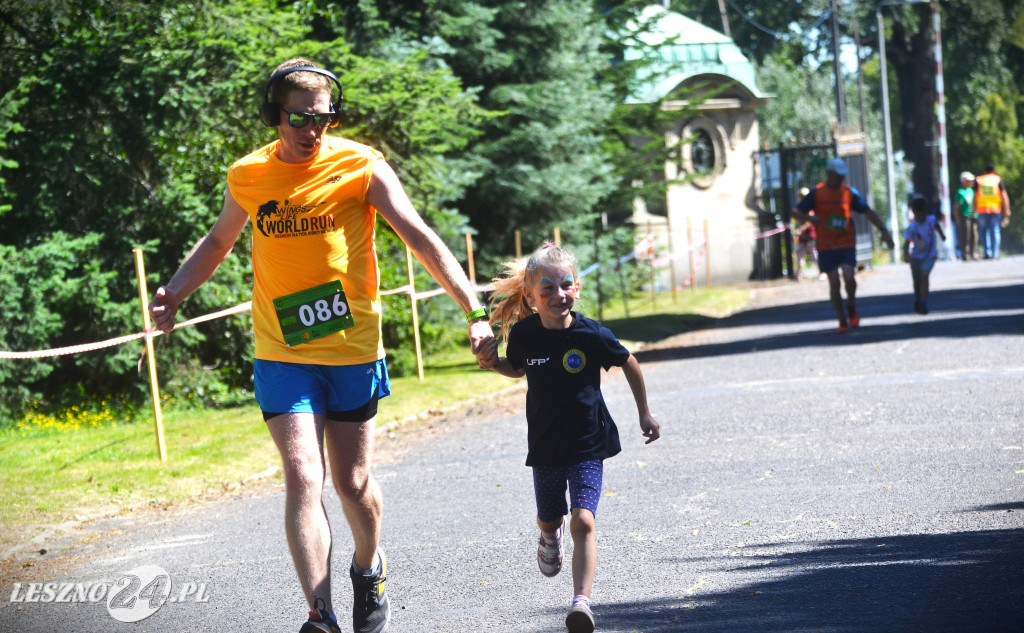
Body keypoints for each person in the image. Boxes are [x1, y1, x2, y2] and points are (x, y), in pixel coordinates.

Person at [149, 58, 495, 633]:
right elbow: (218, 241)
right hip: (281, 352)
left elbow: (420, 237)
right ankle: (320, 613)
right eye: (300, 119)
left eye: (324, 119)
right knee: (304, 476)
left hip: (352, 348)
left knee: (352, 483)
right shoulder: (249, 175)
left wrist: (474, 312)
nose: (313, 131)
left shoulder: (361, 166)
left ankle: (369, 565)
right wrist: (175, 293)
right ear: (274, 116)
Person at [477, 244, 660, 633]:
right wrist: (494, 363)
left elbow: (628, 361)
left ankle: (582, 603)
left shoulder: (591, 334)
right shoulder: (525, 334)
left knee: (583, 520)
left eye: (565, 285)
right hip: (545, 444)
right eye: (547, 288)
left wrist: (643, 411)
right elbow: (517, 368)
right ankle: (548, 536)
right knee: (551, 517)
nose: (558, 294)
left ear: (576, 288)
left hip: (587, 442)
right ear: (529, 295)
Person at [791, 158, 895, 334]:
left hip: (846, 242)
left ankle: (851, 305)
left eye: (842, 176)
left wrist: (883, 230)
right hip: (826, 244)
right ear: (830, 174)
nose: (841, 179)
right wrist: (809, 219)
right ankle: (842, 320)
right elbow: (795, 212)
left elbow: (867, 211)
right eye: (838, 176)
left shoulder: (849, 193)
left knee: (848, 275)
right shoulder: (817, 193)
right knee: (833, 282)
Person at [902, 195, 947, 314]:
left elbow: (936, 225)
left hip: (930, 255)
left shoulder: (931, 220)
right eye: (918, 214)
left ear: (926, 211)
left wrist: (942, 235)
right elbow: (906, 242)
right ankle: (918, 297)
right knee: (917, 281)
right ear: (914, 212)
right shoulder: (912, 226)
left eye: (923, 213)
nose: (921, 216)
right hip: (916, 257)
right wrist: (906, 255)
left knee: (924, 275)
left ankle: (924, 302)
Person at [974, 163, 1012, 259]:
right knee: (994, 231)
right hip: (995, 209)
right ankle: (995, 253)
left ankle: (987, 253)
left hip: (981, 210)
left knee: (983, 232)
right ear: (993, 170)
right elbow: (1004, 196)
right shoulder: (997, 179)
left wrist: (973, 209)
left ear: (984, 170)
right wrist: (1007, 210)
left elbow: (974, 197)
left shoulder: (979, 180)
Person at [792, 186, 818, 280]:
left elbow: (809, 222)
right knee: (799, 254)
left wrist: (800, 230)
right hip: (803, 237)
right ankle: (799, 275)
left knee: (814, 254)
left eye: (803, 196)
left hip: (810, 236)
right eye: (800, 196)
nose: (801, 197)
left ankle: (822, 273)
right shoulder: (801, 208)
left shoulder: (809, 208)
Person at [953, 171, 978, 261]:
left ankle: (973, 253)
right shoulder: (961, 192)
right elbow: (956, 207)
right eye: (969, 180)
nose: (972, 182)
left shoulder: (971, 191)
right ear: (964, 181)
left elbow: (974, 203)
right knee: (965, 236)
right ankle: (965, 254)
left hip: (973, 216)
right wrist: (957, 219)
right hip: (964, 217)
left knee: (974, 235)